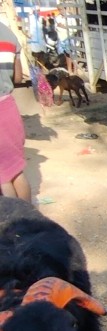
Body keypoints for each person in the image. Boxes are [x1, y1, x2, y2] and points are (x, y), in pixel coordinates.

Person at [0, 17, 30, 202]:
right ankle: (29, 215)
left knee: (3, 177)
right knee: (15, 171)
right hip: (8, 107)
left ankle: (12, 218)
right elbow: (18, 77)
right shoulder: (9, 34)